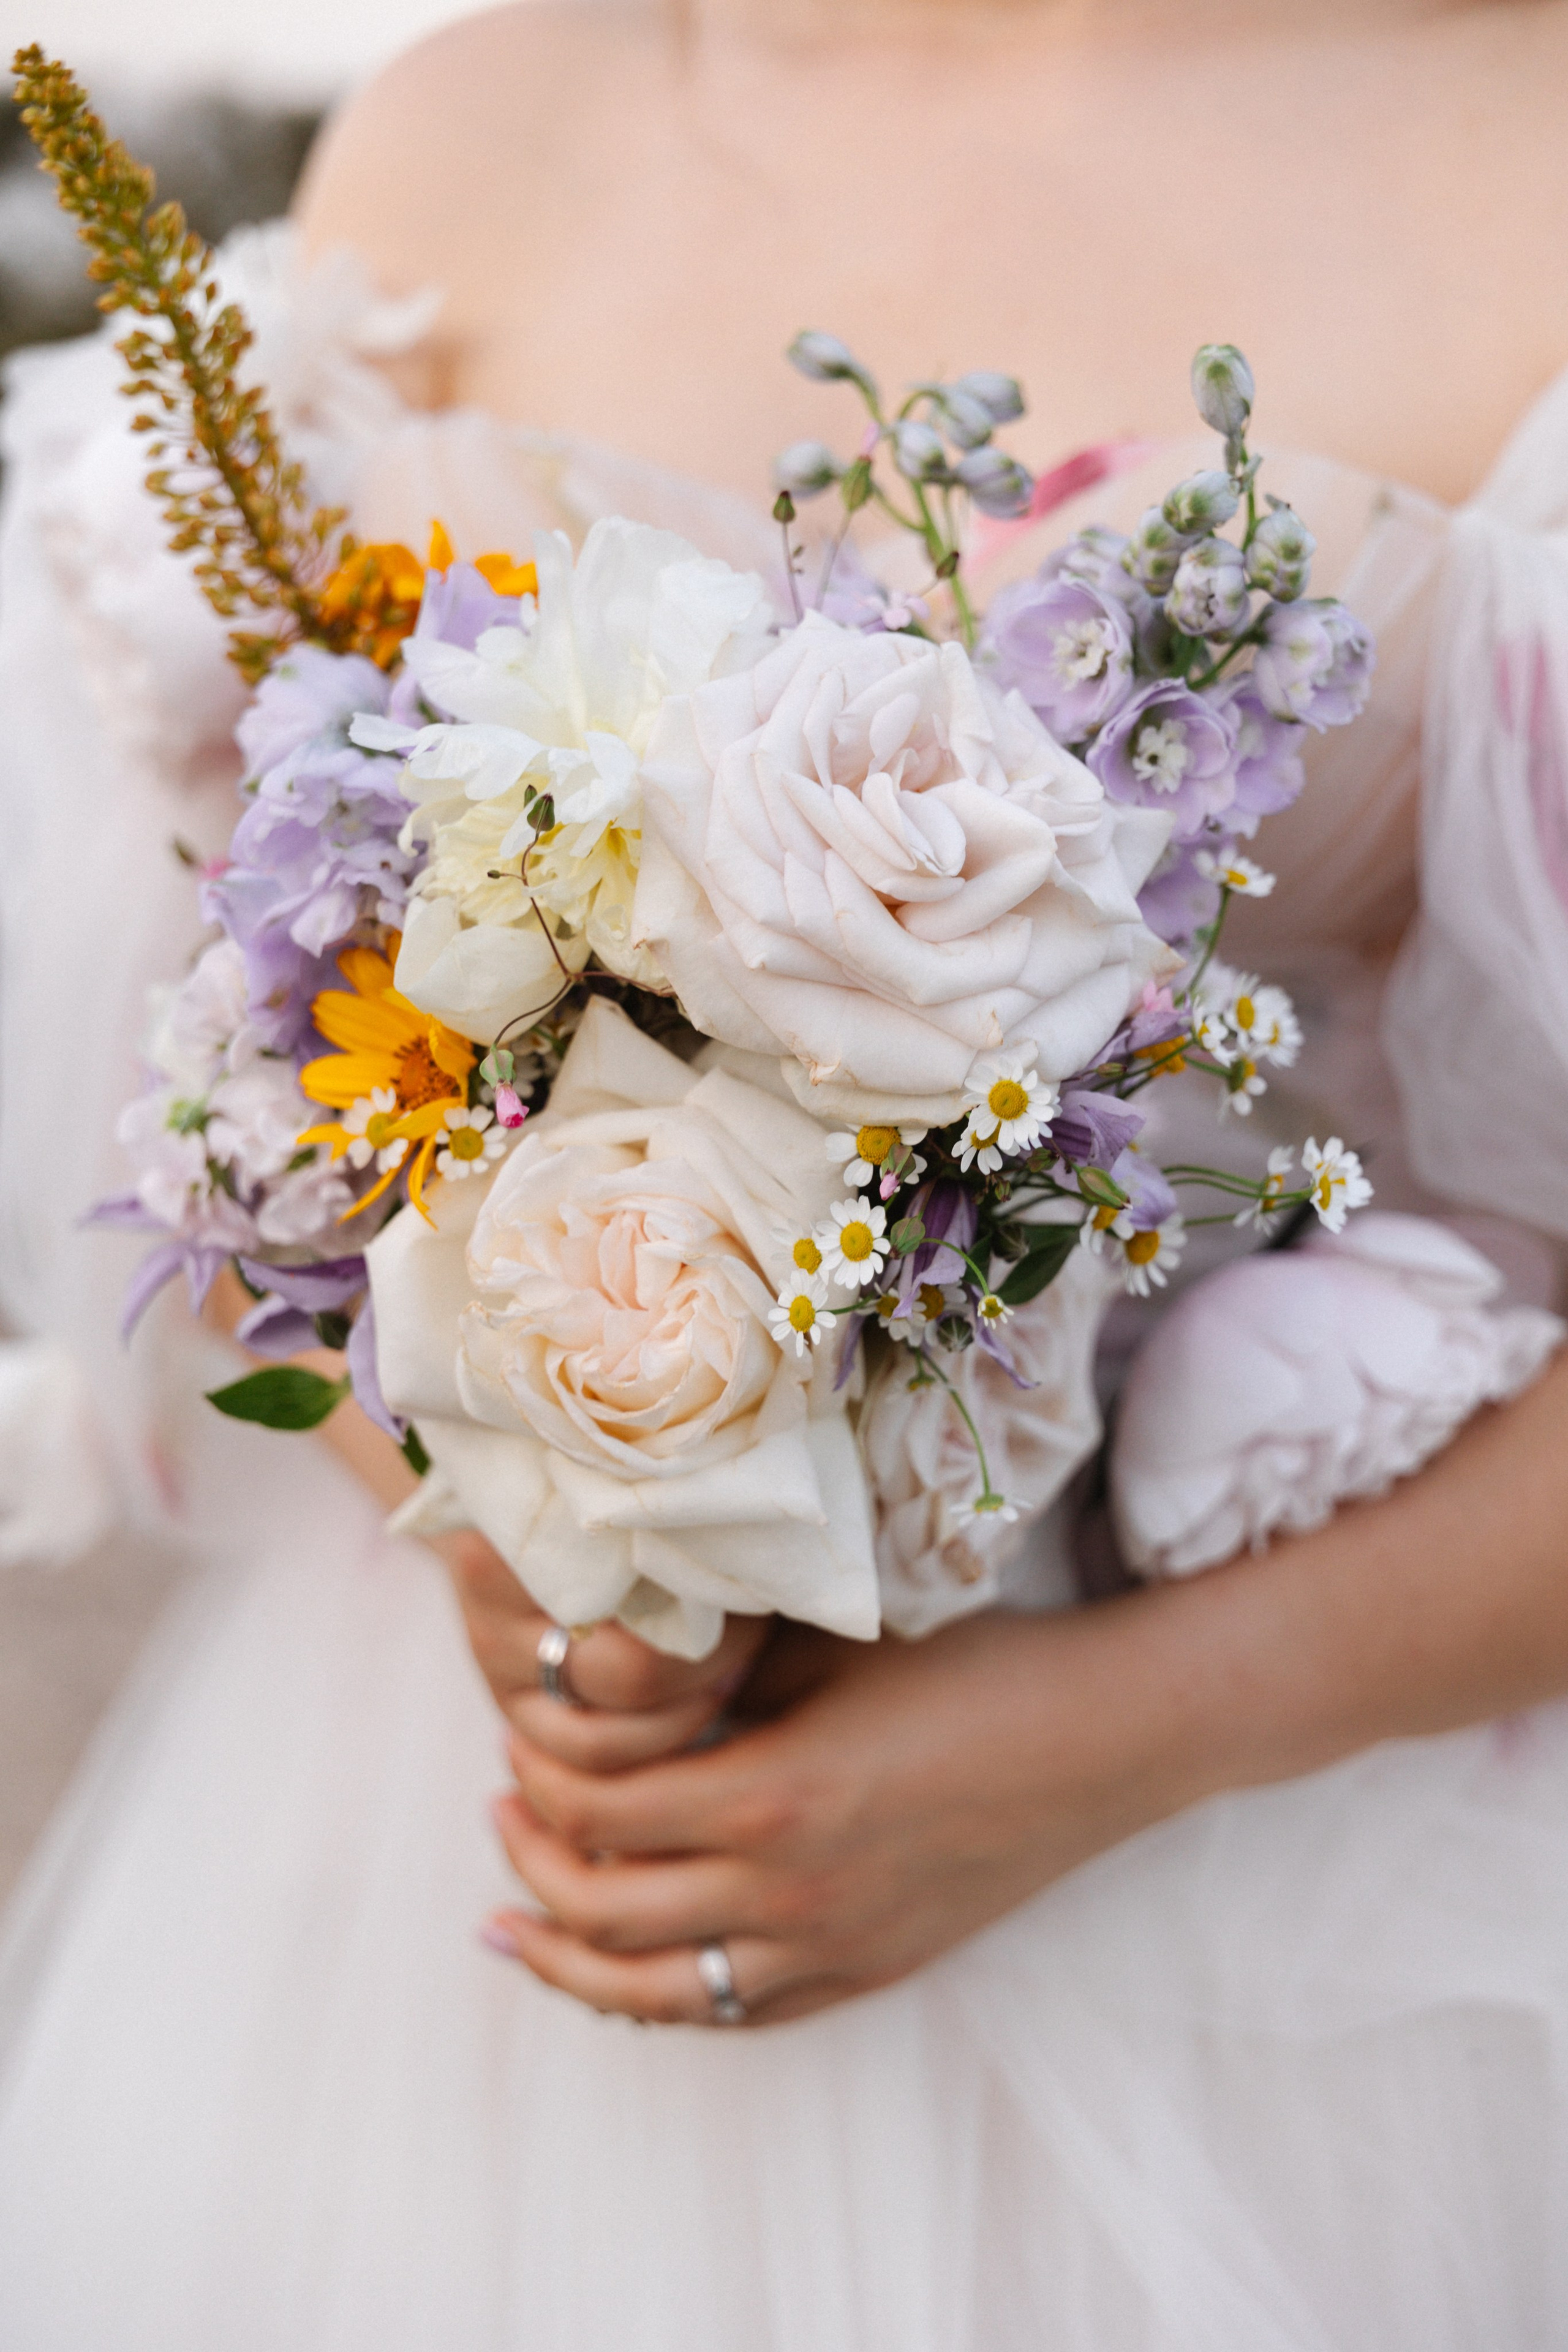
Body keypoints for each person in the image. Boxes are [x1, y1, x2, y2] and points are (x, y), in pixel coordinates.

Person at [1, 0, 1566, 2342]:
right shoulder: (463, 134)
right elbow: (244, 1044)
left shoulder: (1516, 139)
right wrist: (507, 1521)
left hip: (1293, 1902)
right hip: (447, 1877)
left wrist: (1109, 1743)